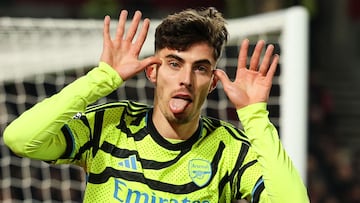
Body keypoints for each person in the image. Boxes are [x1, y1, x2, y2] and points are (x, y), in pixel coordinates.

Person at [3, 7, 309, 202]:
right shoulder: (110, 126)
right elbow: (21, 139)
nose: (186, 79)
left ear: (213, 82)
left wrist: (254, 115)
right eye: (174, 63)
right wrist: (101, 79)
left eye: (200, 68)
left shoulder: (229, 149)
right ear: (153, 71)